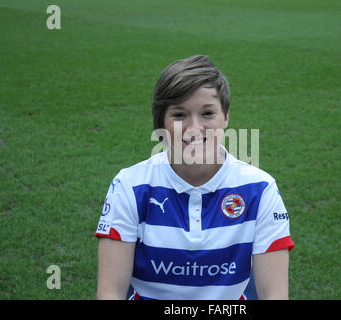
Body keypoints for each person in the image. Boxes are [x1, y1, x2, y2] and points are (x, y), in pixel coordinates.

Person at [94, 55, 295, 300]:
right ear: (161, 122)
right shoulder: (129, 185)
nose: (194, 128)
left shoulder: (260, 188)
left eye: (208, 113)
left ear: (226, 117)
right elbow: (110, 292)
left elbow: (274, 295)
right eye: (179, 115)